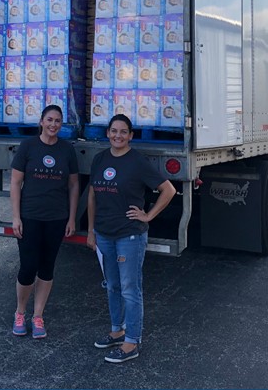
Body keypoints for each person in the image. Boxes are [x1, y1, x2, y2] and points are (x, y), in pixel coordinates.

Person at [86, 114, 177, 363]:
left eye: (123, 132)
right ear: (107, 133)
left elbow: (168, 190)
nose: (118, 136)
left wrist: (148, 215)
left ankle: (132, 342)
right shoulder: (100, 159)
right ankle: (117, 331)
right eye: (114, 131)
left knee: (130, 288)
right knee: (112, 286)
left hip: (130, 234)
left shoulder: (137, 162)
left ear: (131, 136)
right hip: (104, 234)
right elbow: (92, 197)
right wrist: (91, 230)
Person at [9, 104, 81, 339]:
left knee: (47, 268)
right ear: (41, 121)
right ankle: (20, 312)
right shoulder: (28, 146)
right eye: (49, 120)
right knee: (28, 267)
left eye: (57, 121)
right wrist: (16, 216)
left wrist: (71, 218)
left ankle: (38, 316)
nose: (53, 125)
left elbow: (73, 185)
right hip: (30, 216)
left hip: (56, 218)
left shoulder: (66, 149)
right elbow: (15, 183)